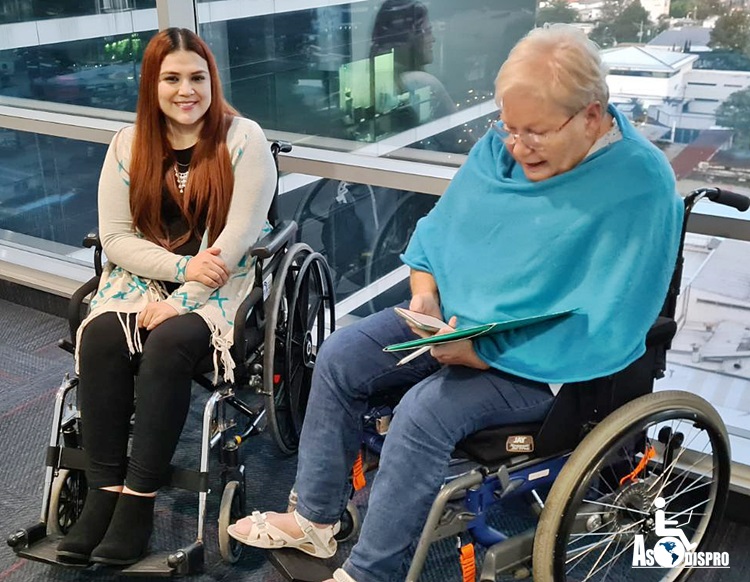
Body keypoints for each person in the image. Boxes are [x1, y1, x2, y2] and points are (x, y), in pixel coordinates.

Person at [228, 23, 684, 582]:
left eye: (535, 132)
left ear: (591, 115)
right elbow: (436, 237)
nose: (517, 147)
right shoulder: (503, 151)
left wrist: (485, 356)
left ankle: (372, 572)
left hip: (552, 365)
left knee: (423, 413)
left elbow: (614, 317)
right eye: (509, 127)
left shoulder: (640, 183)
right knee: (341, 355)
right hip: (456, 329)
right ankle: (316, 520)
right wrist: (426, 299)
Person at [55, 27, 276, 566]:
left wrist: (185, 295)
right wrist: (178, 269)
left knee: (169, 343)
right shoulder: (128, 145)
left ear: (211, 79)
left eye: (197, 77)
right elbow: (115, 237)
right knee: (104, 335)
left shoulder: (242, 138)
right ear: (152, 85)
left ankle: (138, 501)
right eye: (171, 78)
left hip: (222, 286)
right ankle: (103, 491)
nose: (186, 90)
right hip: (142, 280)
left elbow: (237, 238)